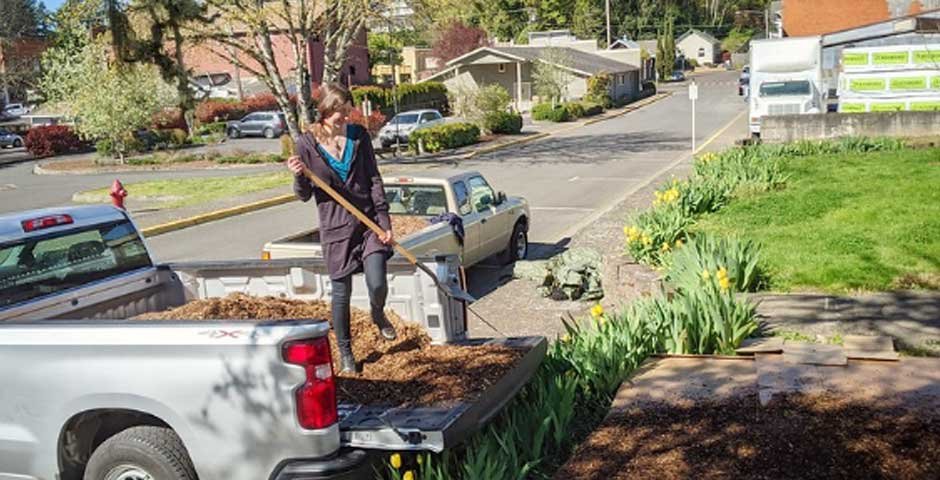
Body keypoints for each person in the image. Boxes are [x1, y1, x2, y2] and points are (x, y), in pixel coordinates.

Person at [286, 82, 397, 374]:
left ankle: (378, 313)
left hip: (368, 223)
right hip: (336, 228)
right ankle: (346, 351)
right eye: (341, 113)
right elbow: (304, 194)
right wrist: (298, 176)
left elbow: (374, 179)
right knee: (341, 294)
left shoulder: (358, 136)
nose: (346, 118)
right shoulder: (307, 144)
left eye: (348, 112)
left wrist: (384, 222)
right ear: (325, 112)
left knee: (377, 282)